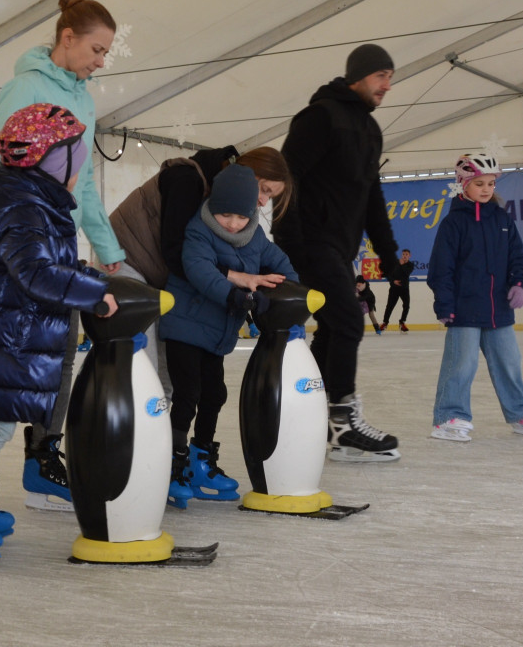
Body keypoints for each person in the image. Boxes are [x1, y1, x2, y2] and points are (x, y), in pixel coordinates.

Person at [0, 0, 124, 510]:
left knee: (54, 354)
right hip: (26, 239)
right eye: (97, 49)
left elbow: (87, 182)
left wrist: (106, 248)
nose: (101, 61)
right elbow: (0, 165)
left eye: (106, 53)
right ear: (68, 38)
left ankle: (42, 455)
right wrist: (23, 219)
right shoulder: (26, 87)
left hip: (61, 238)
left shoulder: (86, 99)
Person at [0, 104, 118, 560]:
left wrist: (82, 274)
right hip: (4, 338)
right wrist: (93, 294)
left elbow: (46, 263)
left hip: (10, 334)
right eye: (77, 161)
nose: (80, 173)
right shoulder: (25, 206)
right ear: (56, 163)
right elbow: (34, 272)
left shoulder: (34, 202)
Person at [275, 43, 401, 462]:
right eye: (381, 76)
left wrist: (388, 256)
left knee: (332, 329)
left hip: (338, 247)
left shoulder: (370, 130)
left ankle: (310, 412)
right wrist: (290, 246)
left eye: (390, 78)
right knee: (348, 321)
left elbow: (372, 197)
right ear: (359, 76)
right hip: (310, 242)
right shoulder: (320, 117)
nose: (387, 86)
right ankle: (342, 421)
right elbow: (285, 179)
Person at [159, 164, 298, 506]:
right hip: (185, 327)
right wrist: (236, 295)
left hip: (216, 334)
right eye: (225, 214)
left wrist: (294, 292)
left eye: (241, 215)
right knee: (188, 393)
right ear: (213, 207)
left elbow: (279, 263)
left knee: (215, 394)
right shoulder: (198, 231)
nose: (233, 223)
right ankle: (171, 464)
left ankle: (200, 458)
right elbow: (200, 272)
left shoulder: (255, 237)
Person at [109, 145, 292, 386]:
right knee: (144, 370)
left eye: (271, 197)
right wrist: (233, 277)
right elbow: (178, 254)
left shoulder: (221, 204)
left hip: (160, 273)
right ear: (247, 170)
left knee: (167, 377)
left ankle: (164, 424)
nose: (263, 201)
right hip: (125, 260)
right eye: (265, 190)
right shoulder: (188, 181)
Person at [427, 154, 523, 442]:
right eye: (479, 183)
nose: (486, 189)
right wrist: (444, 303)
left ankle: (519, 414)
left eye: (491, 183)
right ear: (463, 184)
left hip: (499, 309)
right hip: (464, 308)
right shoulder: (453, 223)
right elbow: (441, 268)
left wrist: (519, 284)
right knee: (461, 364)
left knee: (509, 362)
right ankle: (448, 417)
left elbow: (517, 257)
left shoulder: (502, 219)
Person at [380, 249, 414, 332]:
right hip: (394, 288)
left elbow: (406, 273)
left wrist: (402, 265)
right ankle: (385, 322)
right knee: (390, 306)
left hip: (404, 289)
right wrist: (393, 281)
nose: (404, 256)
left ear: (410, 256)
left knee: (406, 306)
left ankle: (402, 322)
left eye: (406, 254)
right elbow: (388, 274)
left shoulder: (410, 265)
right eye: (403, 254)